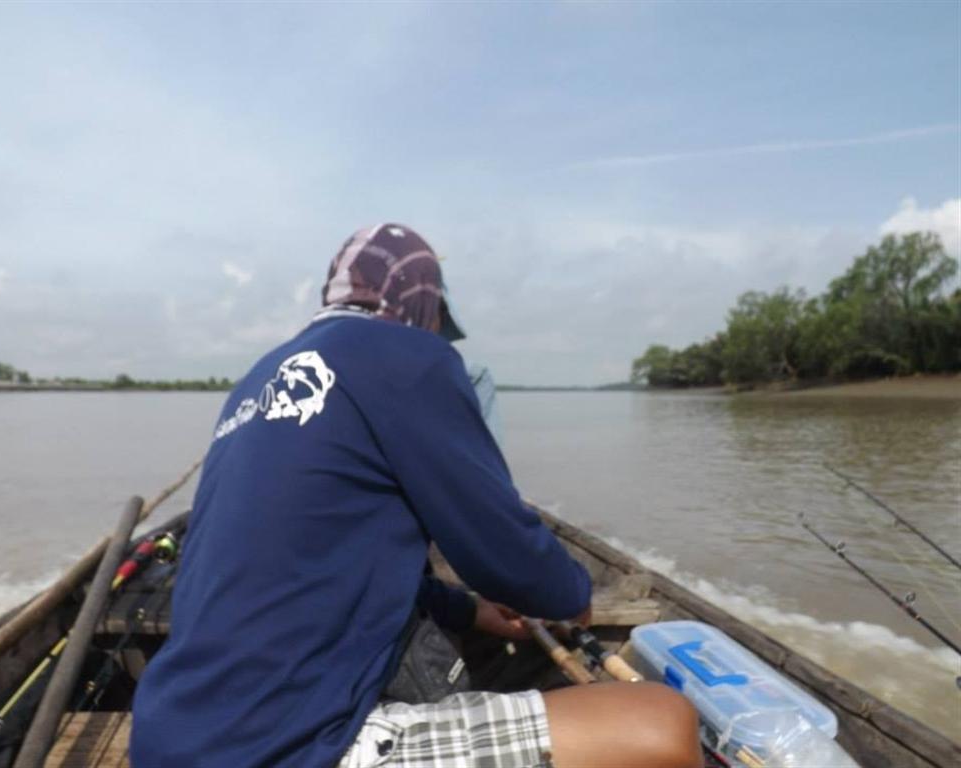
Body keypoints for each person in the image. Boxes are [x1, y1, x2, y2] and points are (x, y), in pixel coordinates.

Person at [130, 223, 702, 768]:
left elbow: (328, 561)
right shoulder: (406, 356)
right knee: (663, 725)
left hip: (170, 734)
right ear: (419, 302)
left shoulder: (255, 383)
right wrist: (571, 595)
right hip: (288, 749)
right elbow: (506, 550)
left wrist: (468, 609)